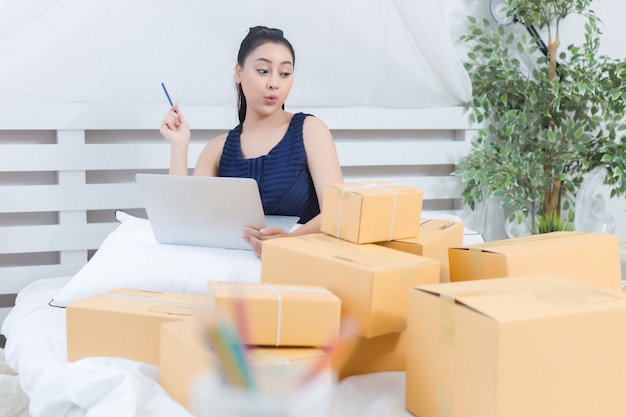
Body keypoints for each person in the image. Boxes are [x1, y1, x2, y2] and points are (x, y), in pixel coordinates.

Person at [159, 26, 343, 258]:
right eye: (263, 70)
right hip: (234, 273)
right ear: (239, 72)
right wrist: (179, 145)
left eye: (284, 74)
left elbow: (337, 212)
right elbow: (185, 222)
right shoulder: (216, 150)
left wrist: (288, 244)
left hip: (299, 265)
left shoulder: (310, 130)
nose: (274, 83)